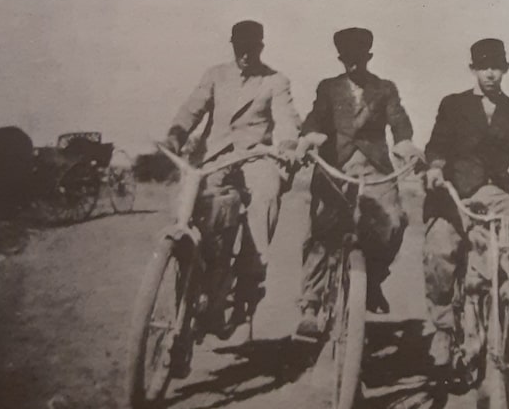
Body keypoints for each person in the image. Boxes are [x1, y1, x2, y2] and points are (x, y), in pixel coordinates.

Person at [164, 20, 302, 352]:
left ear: (261, 47)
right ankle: (186, 295)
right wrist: (176, 133)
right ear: (232, 46)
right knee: (193, 212)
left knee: (266, 193)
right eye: (240, 47)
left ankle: (250, 278)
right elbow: (192, 108)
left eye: (252, 47)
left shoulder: (275, 81)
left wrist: (287, 146)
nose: (245, 54)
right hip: (214, 158)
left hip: (257, 157)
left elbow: (286, 119)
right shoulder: (215, 75)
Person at [423, 38, 509, 366]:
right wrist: (436, 169)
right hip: (455, 195)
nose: (490, 74)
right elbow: (437, 145)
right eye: (483, 67)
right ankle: (444, 328)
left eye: (495, 67)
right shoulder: (453, 105)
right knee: (440, 249)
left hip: (498, 195)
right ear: (473, 70)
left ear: (505, 69)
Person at [295, 27, 423, 337]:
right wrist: (310, 136)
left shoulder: (385, 89)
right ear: (340, 59)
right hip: (334, 167)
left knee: (393, 222)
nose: (353, 65)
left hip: (375, 166)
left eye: (359, 59)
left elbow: (399, 121)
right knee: (323, 231)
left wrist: (405, 143)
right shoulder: (328, 88)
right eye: (347, 59)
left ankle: (373, 280)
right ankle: (310, 305)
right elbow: (316, 116)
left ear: (368, 57)